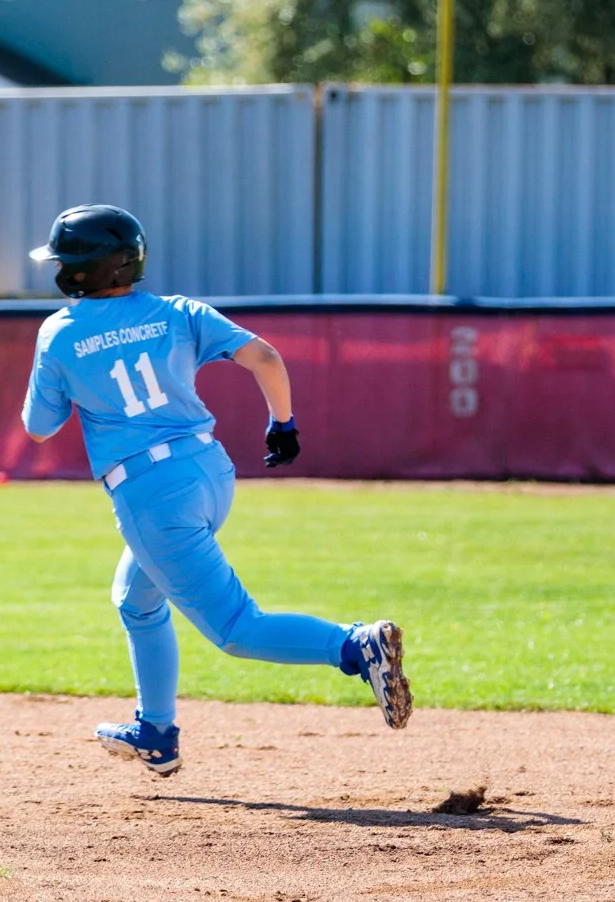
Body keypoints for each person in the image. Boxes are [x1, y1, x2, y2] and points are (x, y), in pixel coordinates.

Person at [21, 204, 412, 777]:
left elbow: (39, 426)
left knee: (235, 630)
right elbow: (265, 357)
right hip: (209, 470)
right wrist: (283, 423)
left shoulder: (59, 332)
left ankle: (354, 646)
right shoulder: (177, 311)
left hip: (151, 493)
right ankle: (155, 733)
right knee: (137, 599)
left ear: (77, 272)